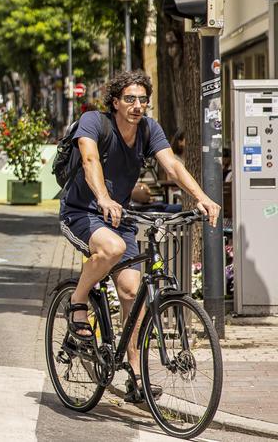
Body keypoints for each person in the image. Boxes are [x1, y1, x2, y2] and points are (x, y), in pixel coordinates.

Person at [59, 71, 219, 403]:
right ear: (115, 102)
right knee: (112, 248)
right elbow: (89, 161)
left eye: (143, 99)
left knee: (133, 294)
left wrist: (201, 197)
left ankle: (135, 374)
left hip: (120, 216)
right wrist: (103, 198)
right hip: (81, 212)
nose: (137, 105)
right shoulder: (93, 122)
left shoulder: (148, 129)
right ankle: (78, 301)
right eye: (130, 99)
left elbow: (171, 166)